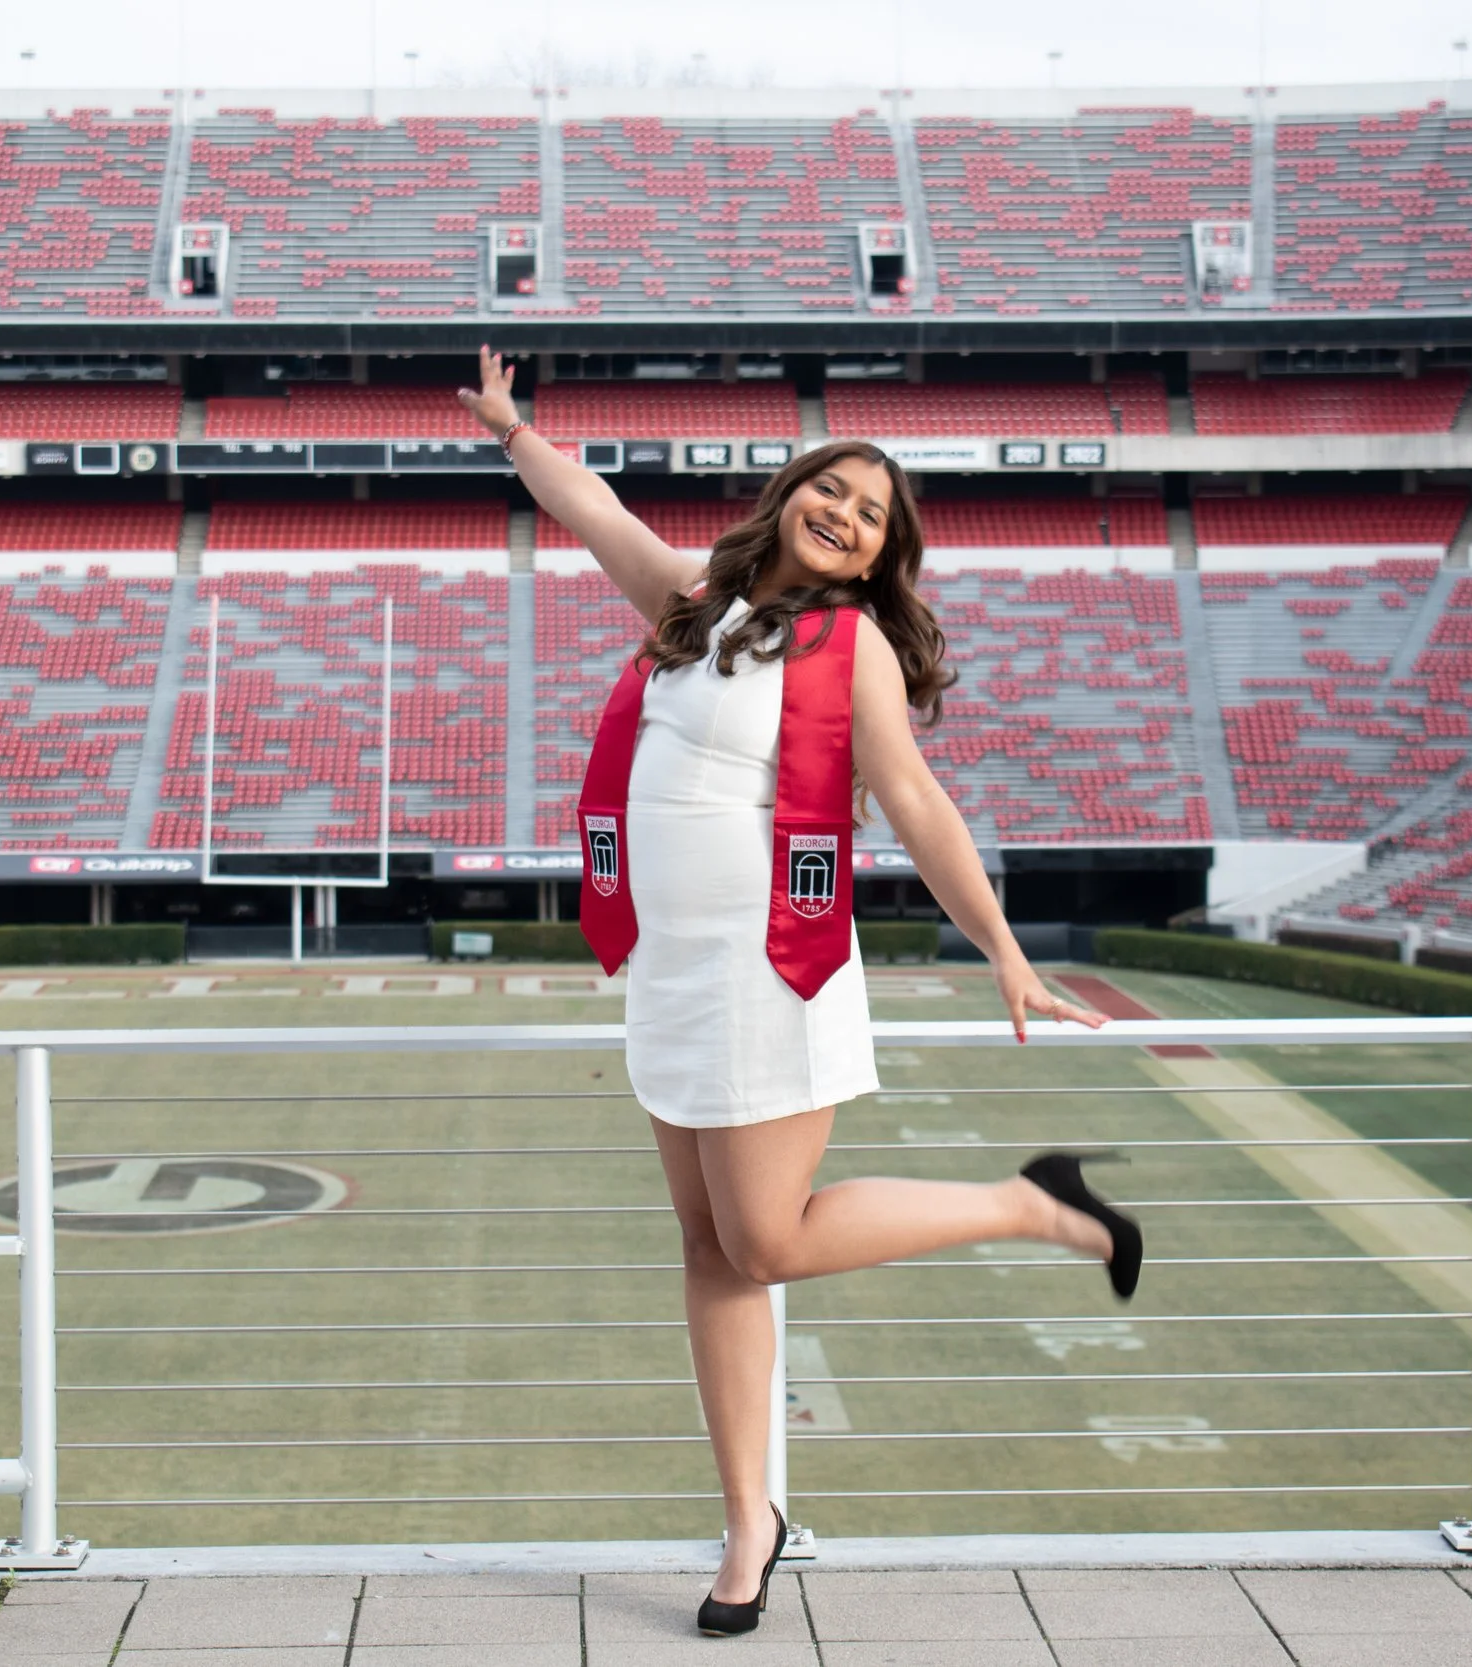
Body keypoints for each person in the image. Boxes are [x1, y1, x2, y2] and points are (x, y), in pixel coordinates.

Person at [457, 348, 1143, 1637]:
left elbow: (919, 806)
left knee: (765, 1240)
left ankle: (1028, 1204)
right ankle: (746, 1519)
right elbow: (594, 512)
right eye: (832, 488)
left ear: (882, 553)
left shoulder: (854, 648)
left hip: (774, 968)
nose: (844, 513)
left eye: (871, 513)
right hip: (667, 972)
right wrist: (510, 431)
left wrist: (1003, 951)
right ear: (789, 496)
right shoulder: (696, 596)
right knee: (710, 1249)